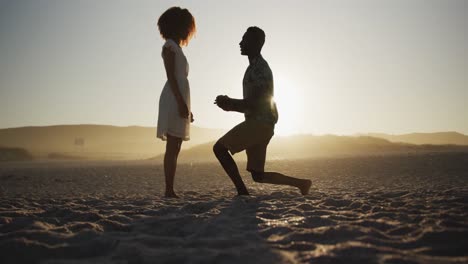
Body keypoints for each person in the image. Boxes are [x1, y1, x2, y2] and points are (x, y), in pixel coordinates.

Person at [213, 26, 312, 196]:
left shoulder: (259, 69)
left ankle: (242, 192)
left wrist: (229, 104)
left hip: (259, 124)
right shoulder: (253, 68)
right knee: (257, 175)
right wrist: (230, 104)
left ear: (256, 43)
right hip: (263, 124)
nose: (240, 43)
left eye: (244, 39)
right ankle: (301, 184)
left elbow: (255, 103)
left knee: (219, 149)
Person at [156, 7, 195, 198]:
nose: (188, 30)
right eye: (186, 26)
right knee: (172, 146)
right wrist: (180, 102)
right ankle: (169, 189)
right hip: (173, 96)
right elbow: (171, 77)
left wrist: (187, 107)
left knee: (176, 146)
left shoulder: (177, 47)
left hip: (179, 96)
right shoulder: (170, 46)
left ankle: (170, 189)